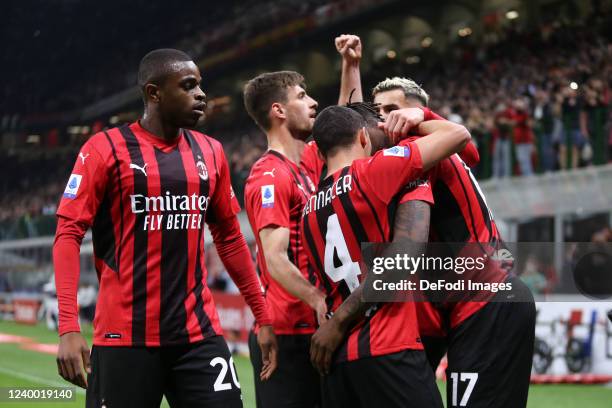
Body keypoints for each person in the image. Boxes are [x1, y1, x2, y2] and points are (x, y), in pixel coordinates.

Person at [53, 48, 277, 408]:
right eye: (188, 86)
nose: (201, 94)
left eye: (200, 85)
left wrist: (262, 315)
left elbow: (230, 238)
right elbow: (67, 236)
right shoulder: (104, 149)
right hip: (125, 336)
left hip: (198, 333)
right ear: (154, 93)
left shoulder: (212, 151)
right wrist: (68, 327)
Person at [371, 79, 536, 407]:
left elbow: (470, 149)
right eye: (378, 112)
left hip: (490, 302)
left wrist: (423, 115)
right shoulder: (413, 155)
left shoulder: (424, 149)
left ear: (417, 114)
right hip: (457, 305)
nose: (384, 119)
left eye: (393, 109)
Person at [302, 104, 470, 407]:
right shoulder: (374, 171)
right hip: (388, 347)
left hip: (338, 361)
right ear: (364, 138)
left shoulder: (307, 211)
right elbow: (458, 135)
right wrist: (415, 120)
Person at [242, 35, 362, 408]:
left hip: (314, 326)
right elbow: (275, 258)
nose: (313, 103)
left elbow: (346, 121)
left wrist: (350, 65)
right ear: (279, 110)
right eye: (302, 97)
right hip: (290, 331)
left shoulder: (307, 164)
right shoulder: (269, 176)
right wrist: (319, 298)